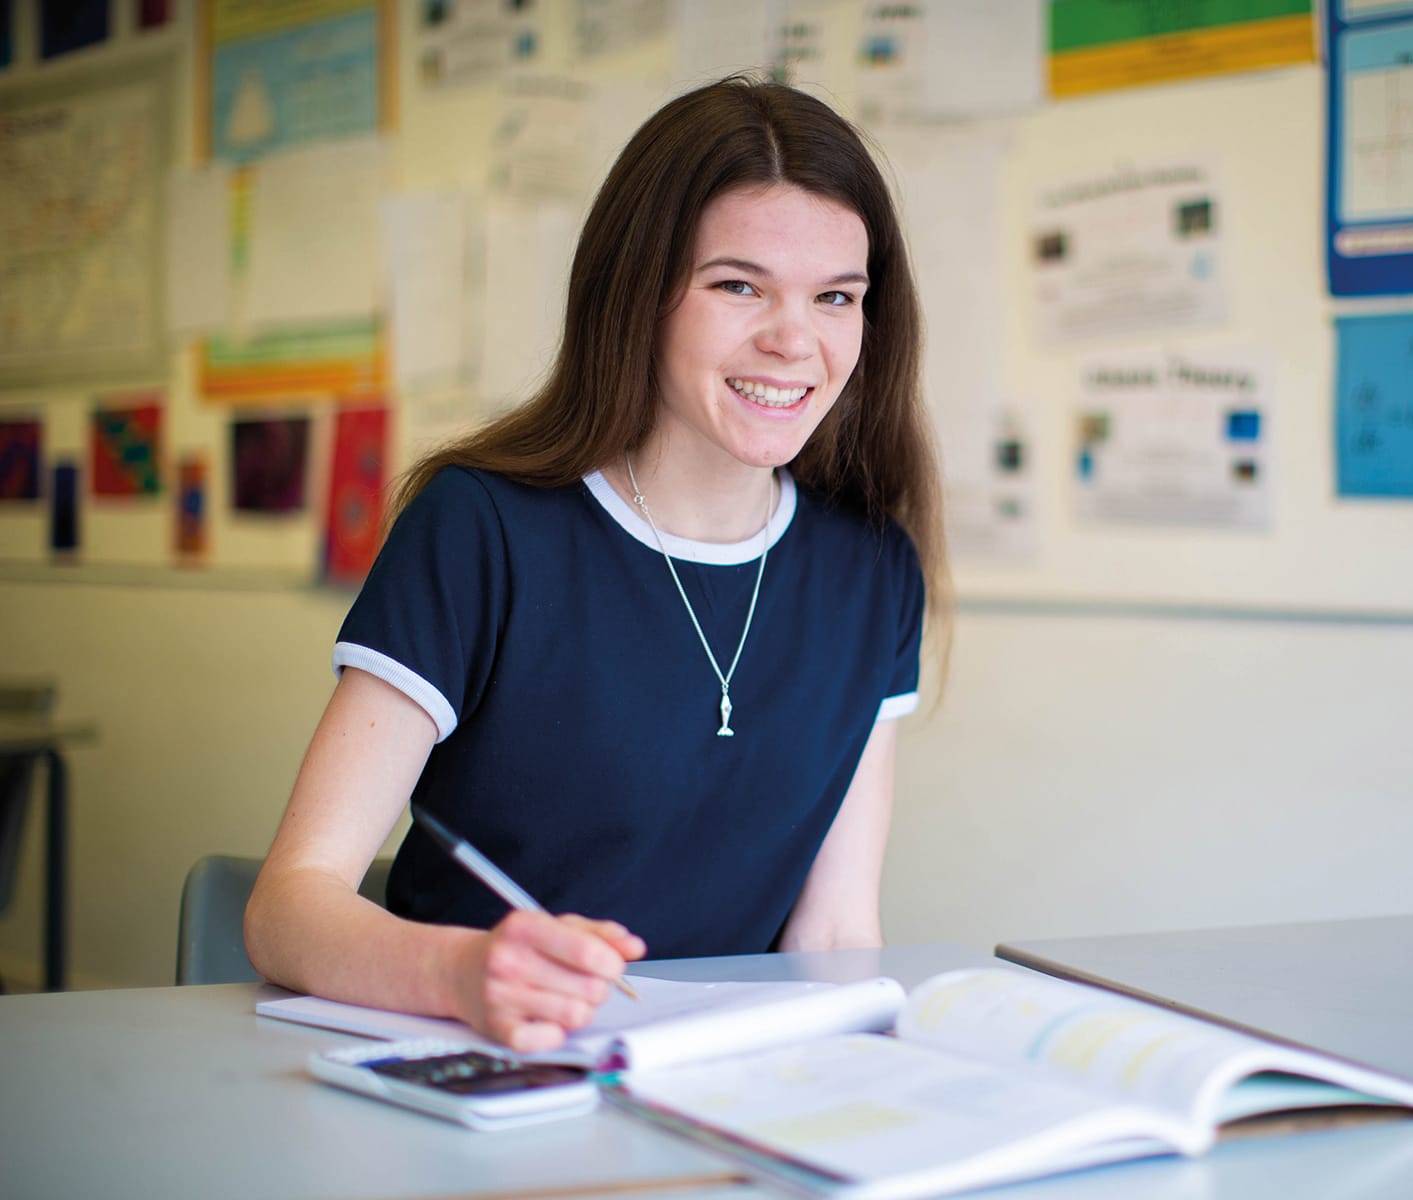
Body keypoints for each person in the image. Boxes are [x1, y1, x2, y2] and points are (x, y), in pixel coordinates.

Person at [244, 76, 947, 1053]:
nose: (795, 341)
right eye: (738, 285)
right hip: (482, 1069)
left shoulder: (872, 571)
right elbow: (288, 906)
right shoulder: (483, 528)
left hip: (718, 1086)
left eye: (836, 297)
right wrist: (457, 973)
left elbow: (831, 936)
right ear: (640, 290)